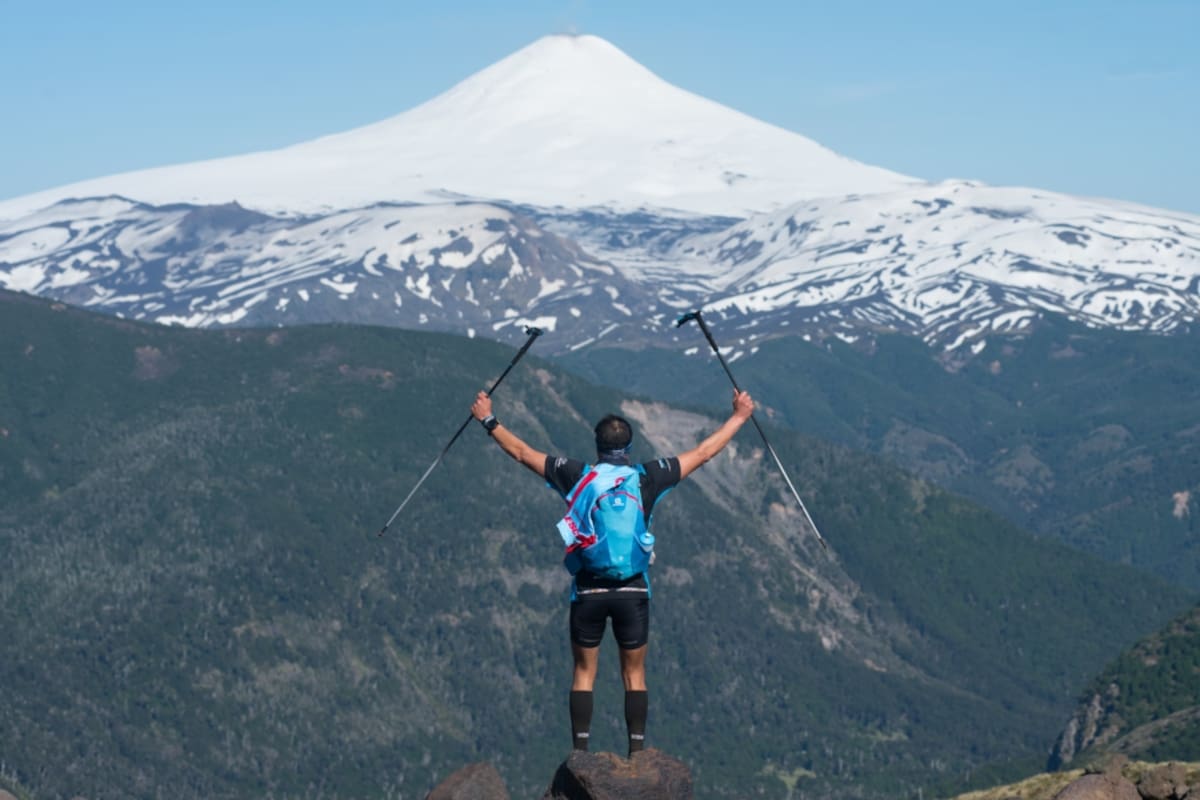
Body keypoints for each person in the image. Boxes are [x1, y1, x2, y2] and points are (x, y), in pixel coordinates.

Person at [470, 387, 755, 757]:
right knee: (634, 675)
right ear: (629, 446)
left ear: (598, 446)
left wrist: (488, 419)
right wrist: (739, 416)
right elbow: (703, 453)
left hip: (588, 591)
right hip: (633, 590)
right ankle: (636, 754)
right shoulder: (647, 478)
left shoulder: (577, 476)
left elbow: (522, 452)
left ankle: (580, 755)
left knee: (584, 672)